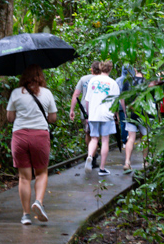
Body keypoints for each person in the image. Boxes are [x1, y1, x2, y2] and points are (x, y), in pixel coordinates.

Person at [6, 64, 58, 225]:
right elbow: (53, 118)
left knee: (24, 177)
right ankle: (38, 202)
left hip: (20, 136)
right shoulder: (47, 93)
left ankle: (26, 215)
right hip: (40, 136)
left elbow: (10, 118)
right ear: (40, 76)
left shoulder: (16, 93)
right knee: (41, 173)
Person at [82, 60, 120, 175]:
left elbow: (87, 100)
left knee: (94, 138)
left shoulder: (92, 81)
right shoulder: (113, 83)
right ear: (110, 69)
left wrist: (88, 114)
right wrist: (116, 115)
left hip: (94, 114)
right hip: (107, 115)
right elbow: (115, 102)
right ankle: (102, 169)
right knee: (105, 140)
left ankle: (90, 156)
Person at [68, 61, 101, 166]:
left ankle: (91, 155)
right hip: (98, 110)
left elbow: (76, 95)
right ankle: (93, 156)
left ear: (92, 69)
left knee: (88, 133)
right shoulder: (102, 79)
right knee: (96, 135)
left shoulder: (83, 79)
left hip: (85, 110)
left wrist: (72, 110)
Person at [119, 66, 148, 173]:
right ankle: (145, 161)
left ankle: (127, 162)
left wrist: (125, 112)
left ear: (135, 70)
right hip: (144, 113)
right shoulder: (147, 82)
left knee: (131, 138)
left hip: (131, 112)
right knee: (145, 138)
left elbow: (122, 98)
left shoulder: (128, 81)